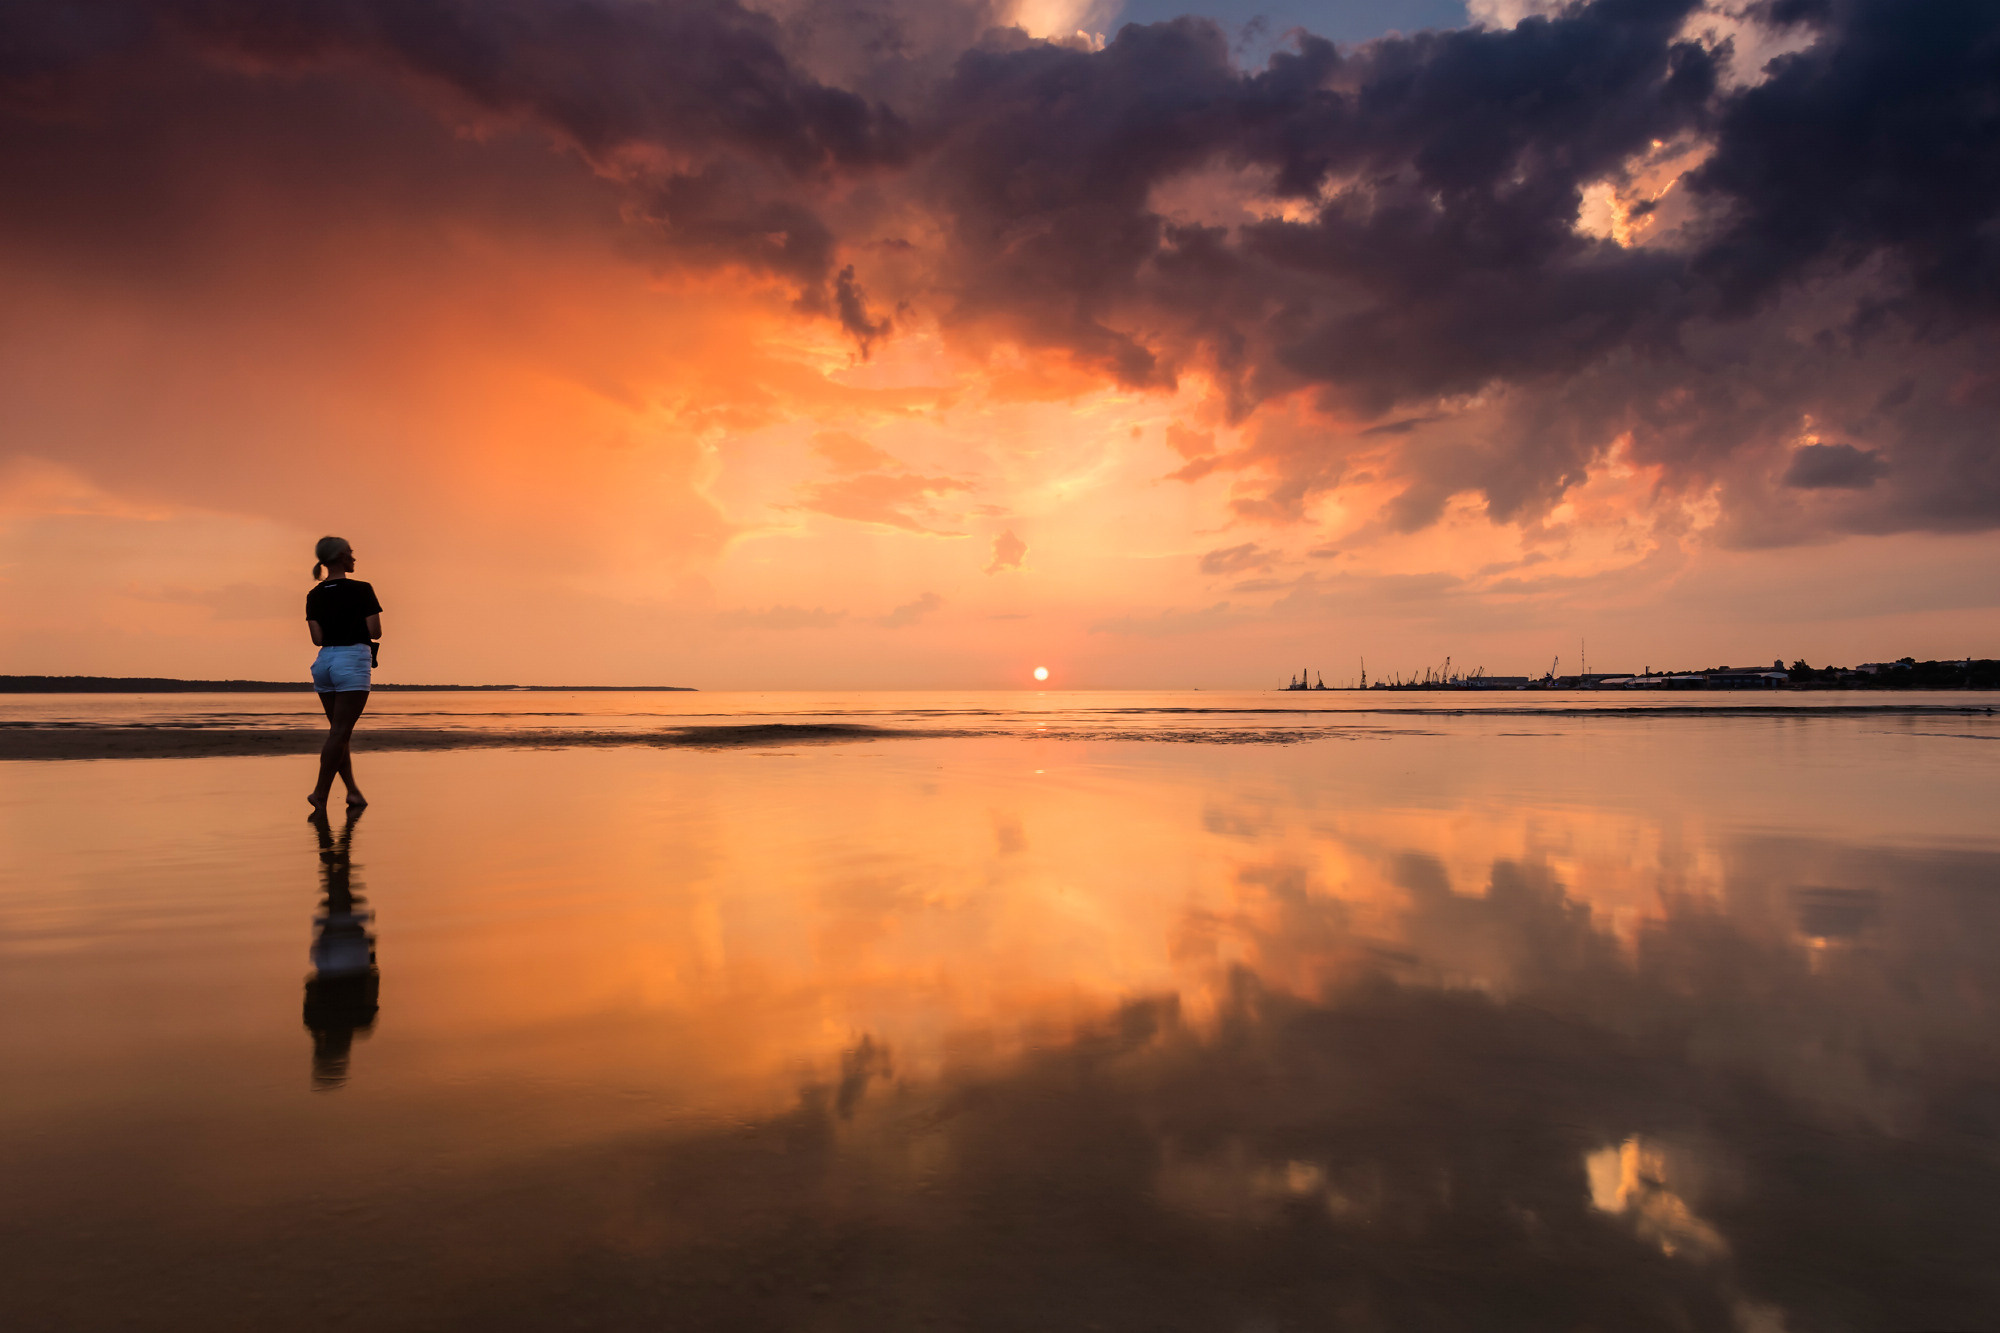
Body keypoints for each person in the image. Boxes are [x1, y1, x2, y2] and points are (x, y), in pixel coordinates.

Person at [305, 536, 381, 814]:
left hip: (324, 662)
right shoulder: (362, 589)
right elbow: (375, 631)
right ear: (339, 556)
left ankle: (353, 792)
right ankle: (320, 793)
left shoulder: (314, 594)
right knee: (339, 733)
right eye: (350, 553)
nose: (354, 558)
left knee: (339, 735)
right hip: (352, 660)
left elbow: (317, 638)